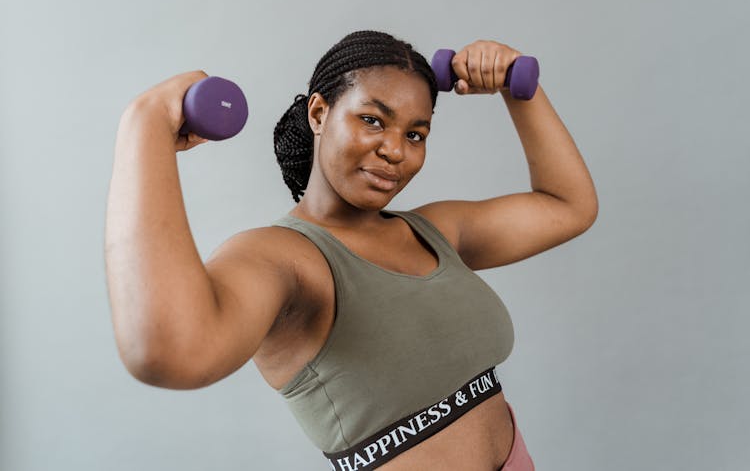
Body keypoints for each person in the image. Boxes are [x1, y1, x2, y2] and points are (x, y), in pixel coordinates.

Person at [105, 30, 598, 470]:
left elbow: (568, 205)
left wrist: (519, 89)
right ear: (319, 113)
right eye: (372, 120)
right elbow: (167, 351)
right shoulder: (284, 257)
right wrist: (145, 127)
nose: (395, 150)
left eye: (415, 134)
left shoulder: (435, 230)